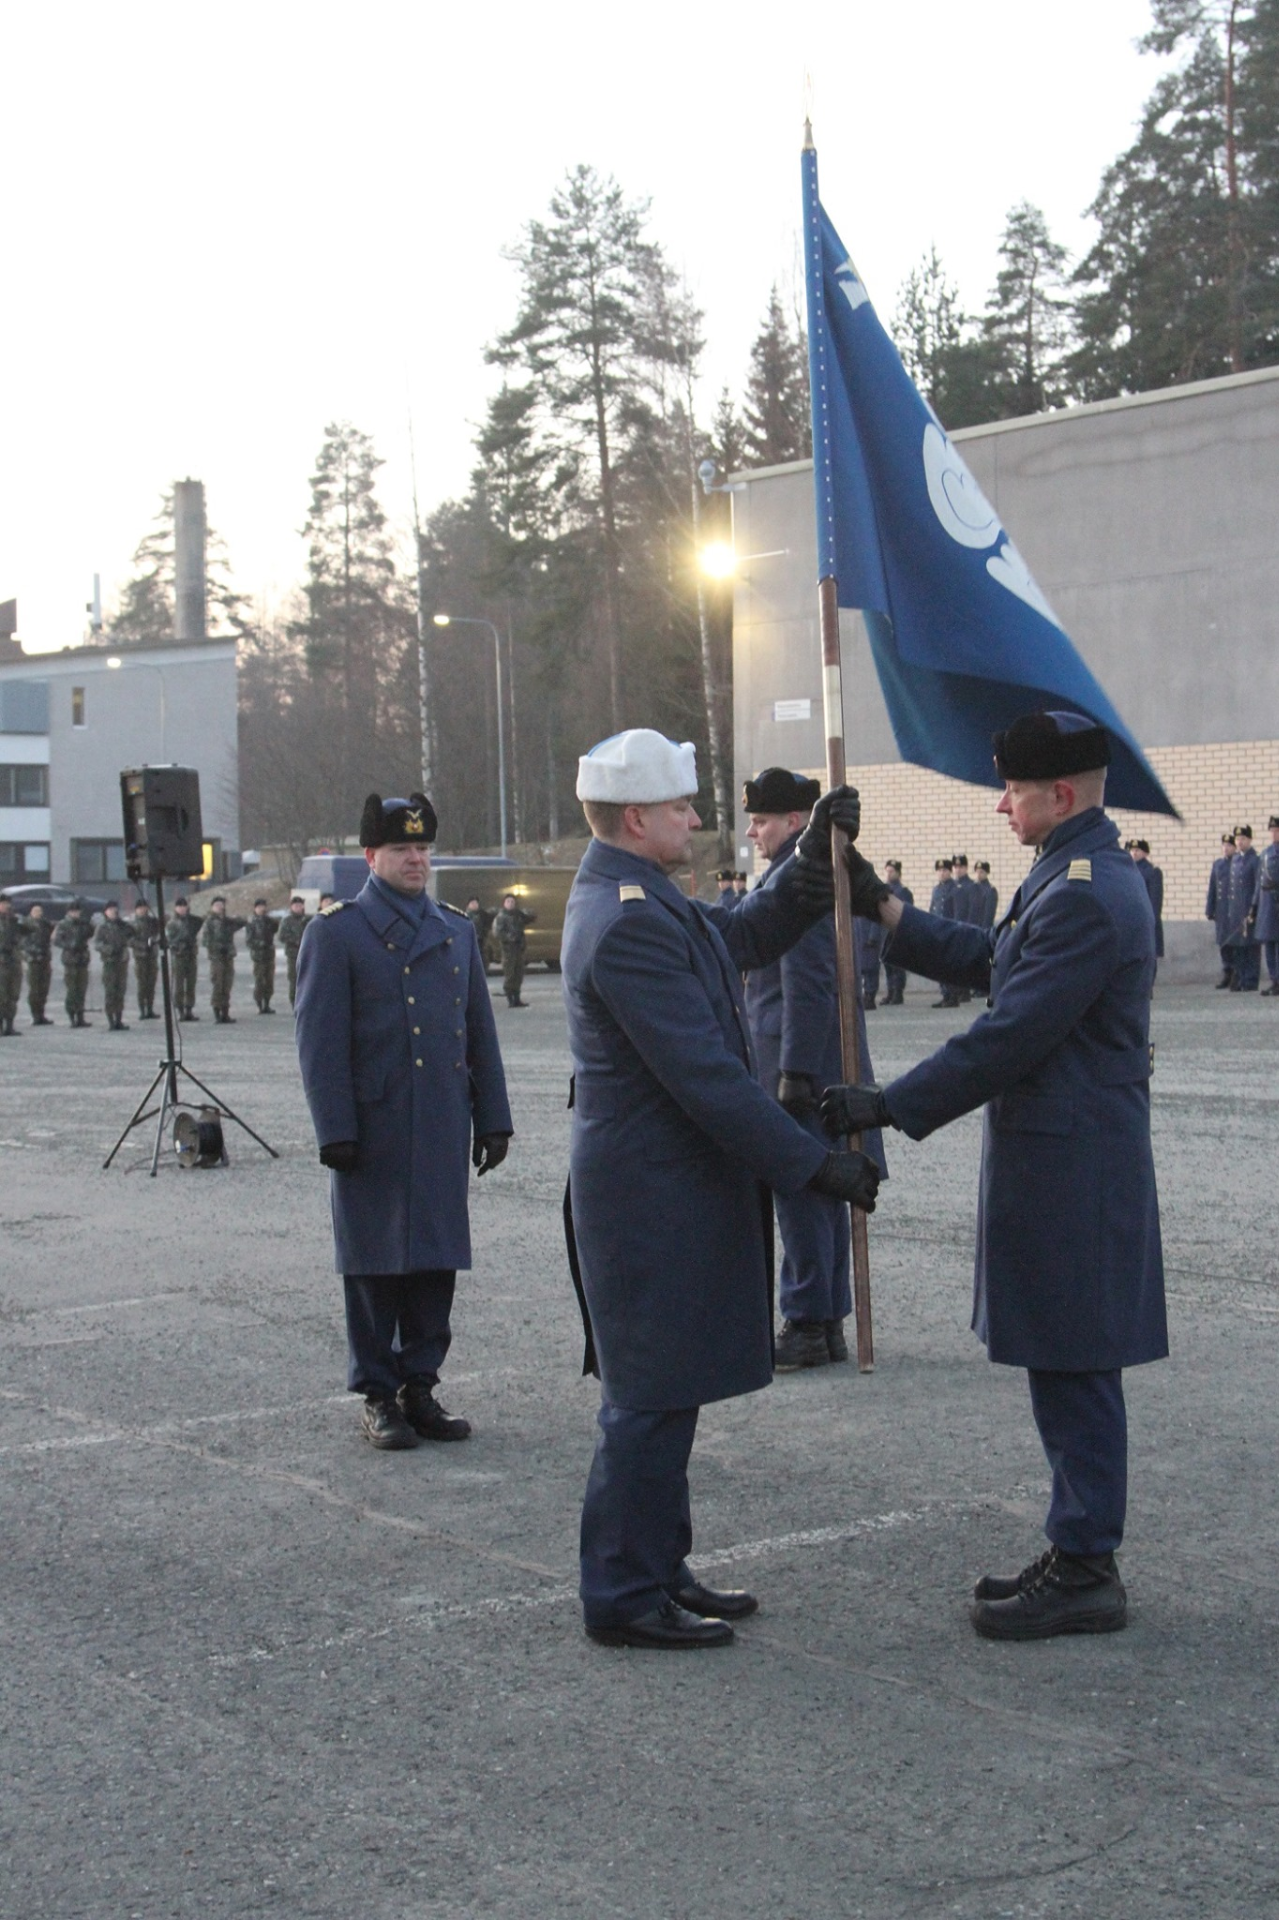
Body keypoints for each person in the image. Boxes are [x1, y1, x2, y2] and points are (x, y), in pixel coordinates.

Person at [827, 710, 1165, 1642]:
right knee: (1063, 1360)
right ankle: (1076, 1542)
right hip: (1063, 1160)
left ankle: (1089, 1565)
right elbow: (992, 961)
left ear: (1058, 793)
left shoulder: (1086, 891)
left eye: (1012, 789)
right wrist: (883, 907)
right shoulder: (1071, 871)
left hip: (1074, 1169)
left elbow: (1010, 1032)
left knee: (1074, 1364)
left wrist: (888, 1102)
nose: (1001, 803)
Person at [562, 729, 879, 1651]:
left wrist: (817, 854)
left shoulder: (644, 898)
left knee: (673, 1390)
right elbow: (706, 1079)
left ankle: (658, 1564)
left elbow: (742, 934)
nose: (698, 822)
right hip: (649, 1197)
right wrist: (812, 1163)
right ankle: (621, 1593)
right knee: (649, 1398)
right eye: (680, 810)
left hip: (672, 1190)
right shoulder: (623, 922)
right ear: (634, 818)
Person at [295, 791, 512, 1451]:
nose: (416, 859)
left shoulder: (455, 929)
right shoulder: (336, 933)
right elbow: (320, 1041)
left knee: (435, 1259)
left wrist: (493, 1117)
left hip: (442, 1120)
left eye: (422, 848)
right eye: (401, 849)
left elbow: (479, 1031)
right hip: (376, 1125)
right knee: (373, 1264)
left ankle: (421, 1385)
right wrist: (335, 1128)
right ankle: (377, 1393)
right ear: (370, 856)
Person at [741, 766, 886, 1371]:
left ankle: (806, 1320)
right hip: (815, 1061)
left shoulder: (795, 886)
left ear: (795, 821)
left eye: (762, 820)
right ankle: (823, 1321)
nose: (753, 832)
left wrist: (794, 1071)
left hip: (800, 1064)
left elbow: (808, 982)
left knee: (801, 1191)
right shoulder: (802, 878)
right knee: (825, 1190)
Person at [201, 896, 247, 1023]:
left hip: (228, 957)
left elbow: (243, 922)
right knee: (218, 984)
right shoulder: (209, 921)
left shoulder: (227, 921)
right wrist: (218, 947)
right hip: (217, 958)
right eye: (217, 905)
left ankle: (225, 1013)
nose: (220, 907)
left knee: (227, 985)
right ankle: (217, 1012)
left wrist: (231, 918)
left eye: (221, 905)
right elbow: (205, 941)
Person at [1226, 826, 1261, 991]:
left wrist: (1253, 907)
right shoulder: (1235, 859)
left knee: (1251, 946)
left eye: (1243, 839)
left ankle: (1251, 980)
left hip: (1248, 909)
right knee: (1239, 946)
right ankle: (1240, 978)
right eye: (1237, 839)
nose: (1239, 842)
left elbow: (1257, 886)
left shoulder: (1254, 860)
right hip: (1236, 910)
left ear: (1249, 840)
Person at [1127, 840, 1164, 987]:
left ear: (1145, 853)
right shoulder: (1127, 869)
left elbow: (1155, 899)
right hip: (1131, 919)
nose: (1134, 853)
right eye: (1132, 850)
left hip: (1147, 919)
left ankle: (1148, 985)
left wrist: (1151, 919)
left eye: (1138, 850)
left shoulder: (1153, 871)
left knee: (1149, 954)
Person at [53, 901, 93, 1027]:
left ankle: (80, 1016)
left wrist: (88, 923)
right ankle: (72, 1016)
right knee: (72, 990)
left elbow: (90, 933)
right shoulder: (63, 924)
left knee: (81, 989)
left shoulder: (82, 923)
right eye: (73, 911)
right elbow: (57, 940)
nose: (76, 914)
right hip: (70, 960)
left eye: (78, 911)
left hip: (82, 959)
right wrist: (69, 945)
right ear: (69, 912)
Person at [94, 902, 133, 1030]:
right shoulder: (103, 927)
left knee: (120, 991)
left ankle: (119, 1019)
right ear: (105, 912)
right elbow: (97, 944)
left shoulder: (122, 926)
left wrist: (124, 924)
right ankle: (111, 1020)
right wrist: (109, 949)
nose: (113, 912)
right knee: (110, 992)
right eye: (110, 910)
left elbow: (133, 933)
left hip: (121, 962)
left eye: (115, 910)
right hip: (109, 962)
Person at [493, 892, 534, 1009]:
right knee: (510, 974)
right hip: (508, 951)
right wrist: (511, 938)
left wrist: (523, 912)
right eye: (508, 902)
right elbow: (498, 933)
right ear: (504, 903)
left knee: (519, 974)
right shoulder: (501, 917)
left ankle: (517, 998)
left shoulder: (517, 915)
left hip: (519, 950)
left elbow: (531, 917)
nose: (510, 904)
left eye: (512, 902)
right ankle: (510, 998)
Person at [928, 858, 960, 1008]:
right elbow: (932, 909)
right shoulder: (936, 889)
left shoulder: (955, 889)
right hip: (937, 931)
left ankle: (953, 995)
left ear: (950, 871)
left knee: (950, 965)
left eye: (945, 870)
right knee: (940, 965)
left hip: (949, 931)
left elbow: (958, 913)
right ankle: (945, 994)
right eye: (939, 870)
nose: (942, 873)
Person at [1206, 833, 1236, 988]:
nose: (1226, 849)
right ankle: (1227, 973)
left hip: (1235, 910)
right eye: (1224, 846)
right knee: (1223, 943)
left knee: (1235, 943)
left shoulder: (1238, 863)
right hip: (1221, 910)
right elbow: (1213, 888)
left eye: (1229, 846)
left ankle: (1236, 974)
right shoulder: (1218, 864)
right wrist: (1209, 908)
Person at [881, 862, 913, 1005]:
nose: (888, 874)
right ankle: (890, 991)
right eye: (887, 871)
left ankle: (898, 992)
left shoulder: (903, 892)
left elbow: (906, 913)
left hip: (898, 932)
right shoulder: (884, 890)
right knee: (887, 963)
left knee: (897, 965)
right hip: (885, 933)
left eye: (892, 871)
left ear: (898, 873)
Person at [167, 896, 203, 1020]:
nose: (182, 908)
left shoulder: (191, 921)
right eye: (180, 906)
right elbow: (169, 941)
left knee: (191, 984)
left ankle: (189, 1009)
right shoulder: (172, 923)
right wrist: (179, 945)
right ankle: (180, 1010)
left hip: (191, 955)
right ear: (175, 908)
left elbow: (200, 920)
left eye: (184, 906)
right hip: (179, 957)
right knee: (179, 985)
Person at [20, 903, 54, 1025]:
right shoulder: (25, 924)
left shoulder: (45, 924)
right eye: (35, 910)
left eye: (40, 910)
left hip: (45, 960)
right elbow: (21, 943)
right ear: (31, 912)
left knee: (44, 988)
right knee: (34, 989)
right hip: (33, 961)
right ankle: (35, 1014)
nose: (38, 913)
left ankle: (41, 1014)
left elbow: (52, 934)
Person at [1257, 816, 1279, 996]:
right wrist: (1254, 905)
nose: (1274, 834)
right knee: (1269, 943)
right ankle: (1274, 979)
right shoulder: (1265, 853)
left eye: (1277, 831)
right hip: (1267, 903)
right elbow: (1259, 880)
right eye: (1272, 831)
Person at [129, 900, 162, 1020]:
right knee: (142, 984)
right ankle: (142, 1009)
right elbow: (130, 940)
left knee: (151, 984)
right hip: (140, 957)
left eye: (144, 907)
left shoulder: (152, 922)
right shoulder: (132, 924)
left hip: (152, 956)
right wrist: (143, 945)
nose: (143, 910)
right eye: (140, 908)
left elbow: (160, 930)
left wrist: (154, 940)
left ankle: (150, 1008)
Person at [276, 896, 311, 1009]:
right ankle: (294, 1004)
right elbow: (281, 936)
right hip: (293, 954)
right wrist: (295, 941)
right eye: (295, 906)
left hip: (307, 954)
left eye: (300, 905)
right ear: (291, 907)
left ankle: (306, 1003)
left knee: (308, 979)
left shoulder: (308, 920)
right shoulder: (287, 921)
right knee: (294, 980)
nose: (298, 908)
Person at [244, 898, 277, 1013]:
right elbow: (248, 941)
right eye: (259, 907)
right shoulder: (252, 923)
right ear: (255, 909)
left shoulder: (269, 921)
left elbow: (277, 928)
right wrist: (260, 944)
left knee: (269, 981)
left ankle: (267, 1004)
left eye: (263, 906)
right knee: (259, 981)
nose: (262, 909)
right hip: (258, 957)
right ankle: (259, 1004)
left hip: (269, 955)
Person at [0, 897, 21, 1036]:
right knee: (1, 995)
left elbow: (31, 929)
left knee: (13, 994)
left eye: (8, 904)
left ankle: (10, 1025)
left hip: (13, 961)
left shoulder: (13, 920)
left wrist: (15, 919)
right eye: (4, 904)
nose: (7, 906)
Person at [972, 861, 999, 931]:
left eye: (981, 872)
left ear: (987, 873)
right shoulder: (972, 887)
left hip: (982, 928)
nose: (978, 874)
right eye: (977, 872)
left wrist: (984, 931)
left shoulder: (990, 890)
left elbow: (988, 915)